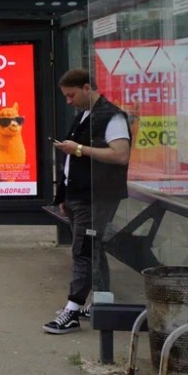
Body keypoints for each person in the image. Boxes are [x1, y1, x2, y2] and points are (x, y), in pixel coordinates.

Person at [44, 68, 131, 334]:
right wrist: (63, 196)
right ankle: (102, 301)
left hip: (97, 195)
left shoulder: (112, 116)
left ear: (86, 87)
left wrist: (79, 149)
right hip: (78, 194)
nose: (69, 101)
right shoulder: (84, 115)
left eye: (71, 95)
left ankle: (72, 309)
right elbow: (71, 161)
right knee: (93, 248)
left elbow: (120, 155)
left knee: (82, 249)